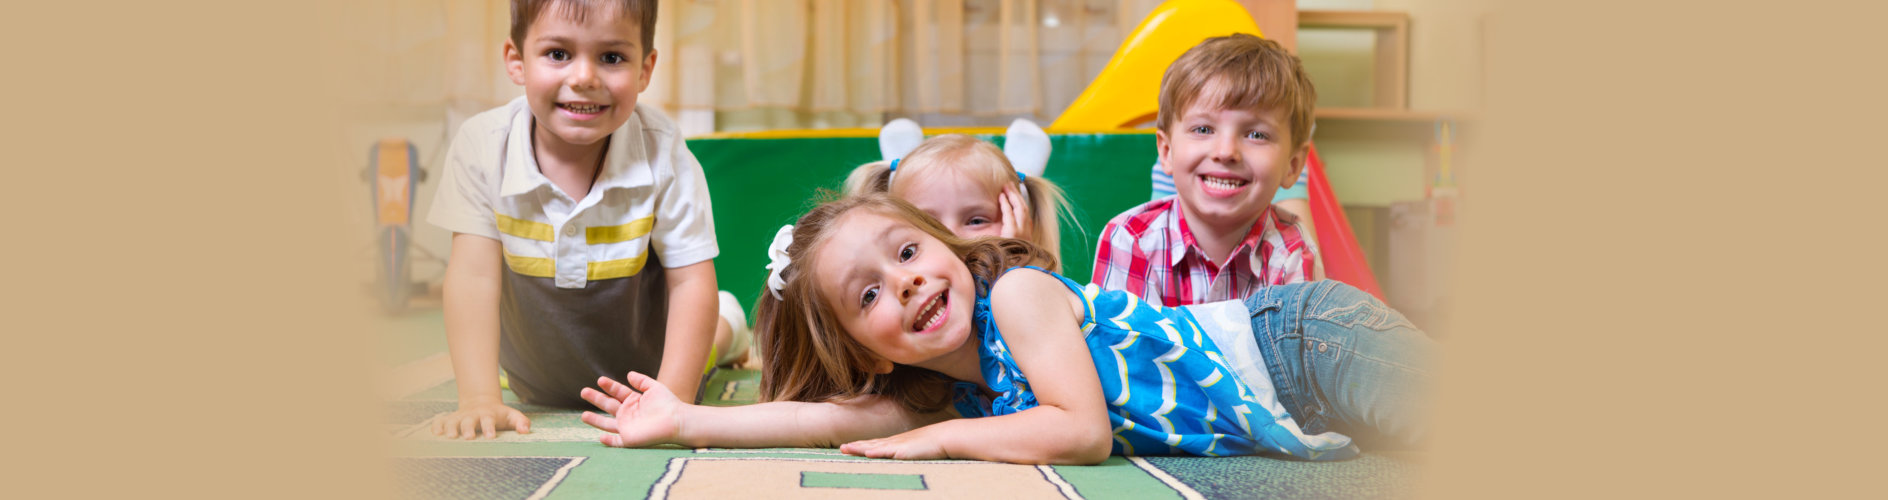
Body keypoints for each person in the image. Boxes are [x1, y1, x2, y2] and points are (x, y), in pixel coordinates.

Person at [578, 194, 1433, 464]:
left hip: (1301, 339)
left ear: (949, 243)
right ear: (862, 350)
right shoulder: (951, 387)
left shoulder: (1019, 297)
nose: (908, 281)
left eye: (909, 250)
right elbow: (820, 419)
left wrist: (944, 445)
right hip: (1294, 396)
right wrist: (684, 419)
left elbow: (1083, 431)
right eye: (869, 296)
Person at [426, 0, 738, 439]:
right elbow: (473, 278)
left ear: (646, 69)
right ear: (517, 62)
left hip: (645, 371)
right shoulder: (482, 146)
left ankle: (732, 324)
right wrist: (479, 397)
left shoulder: (663, 151)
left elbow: (689, 282)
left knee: (712, 337)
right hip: (533, 377)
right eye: (558, 54)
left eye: (612, 58)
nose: (585, 77)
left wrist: (674, 399)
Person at [1095, 33, 1325, 308]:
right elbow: (1124, 347)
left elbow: (1290, 349)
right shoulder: (1130, 239)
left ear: (1293, 166)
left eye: (1256, 134)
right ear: (1166, 152)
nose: (1226, 151)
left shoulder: (1293, 251)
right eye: (1203, 129)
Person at [844, 119, 1074, 268]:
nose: (949, 236)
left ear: (1018, 220)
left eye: (976, 221)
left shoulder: (1041, 297)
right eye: (926, 221)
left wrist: (1014, 266)